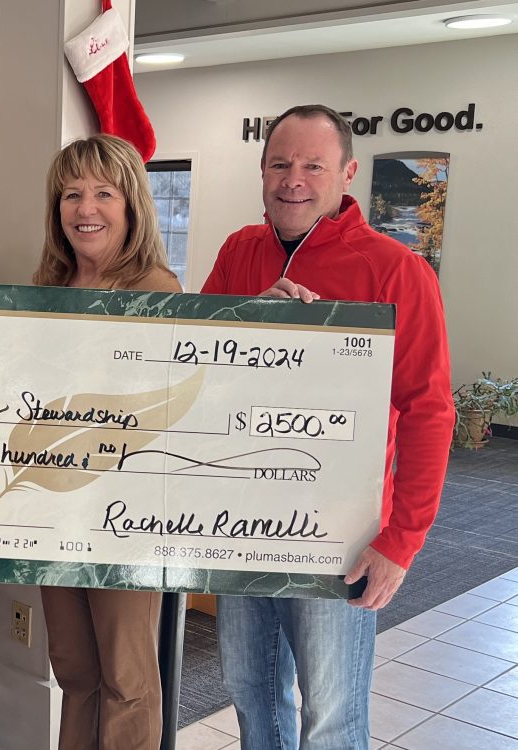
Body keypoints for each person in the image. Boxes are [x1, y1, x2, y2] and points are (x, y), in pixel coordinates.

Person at [202, 104, 453, 749]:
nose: (294, 180)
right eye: (280, 164)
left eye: (314, 166)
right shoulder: (238, 252)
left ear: (346, 173)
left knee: (331, 715)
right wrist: (246, 323)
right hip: (238, 520)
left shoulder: (397, 270)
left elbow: (429, 411)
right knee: (252, 696)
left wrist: (402, 542)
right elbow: (197, 370)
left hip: (338, 535)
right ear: (262, 171)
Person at [34, 133, 181, 750]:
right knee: (75, 670)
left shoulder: (156, 290)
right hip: (56, 507)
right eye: (71, 194)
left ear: (131, 205)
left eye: (103, 193)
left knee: (127, 677)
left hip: (127, 515)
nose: (85, 208)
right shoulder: (47, 287)